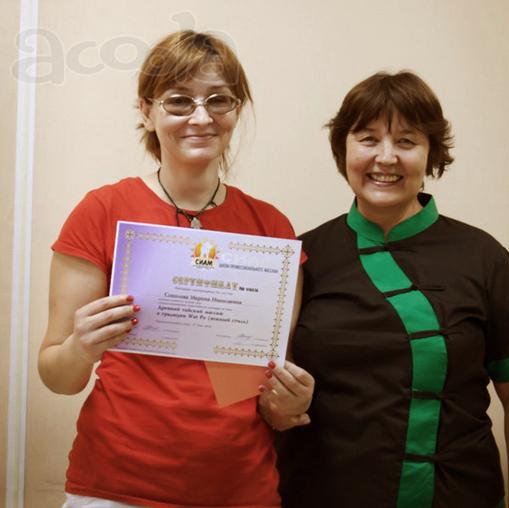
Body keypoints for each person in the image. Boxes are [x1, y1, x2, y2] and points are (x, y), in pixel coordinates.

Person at [38, 30, 313, 508]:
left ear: (237, 110)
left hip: (240, 488)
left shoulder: (271, 228)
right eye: (179, 101)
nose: (201, 117)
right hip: (116, 486)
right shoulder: (102, 211)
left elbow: (261, 392)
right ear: (146, 111)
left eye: (219, 100)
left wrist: (288, 403)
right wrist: (81, 347)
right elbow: (59, 378)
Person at [276, 71, 509, 508]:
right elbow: (263, 384)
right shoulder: (300, 258)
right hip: (320, 492)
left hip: (456, 494)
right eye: (368, 139)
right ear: (343, 150)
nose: (386, 157)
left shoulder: (482, 255)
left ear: (431, 154)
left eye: (406, 141)